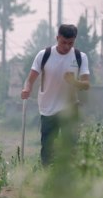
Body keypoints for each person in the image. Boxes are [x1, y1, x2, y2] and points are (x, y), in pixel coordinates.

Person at [21, 24, 91, 167]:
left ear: (74, 41)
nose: (66, 46)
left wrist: (74, 82)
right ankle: (46, 177)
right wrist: (26, 89)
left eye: (70, 43)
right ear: (57, 38)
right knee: (47, 148)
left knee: (70, 146)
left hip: (70, 108)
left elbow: (86, 84)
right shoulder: (44, 55)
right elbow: (30, 79)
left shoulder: (80, 57)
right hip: (48, 108)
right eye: (63, 42)